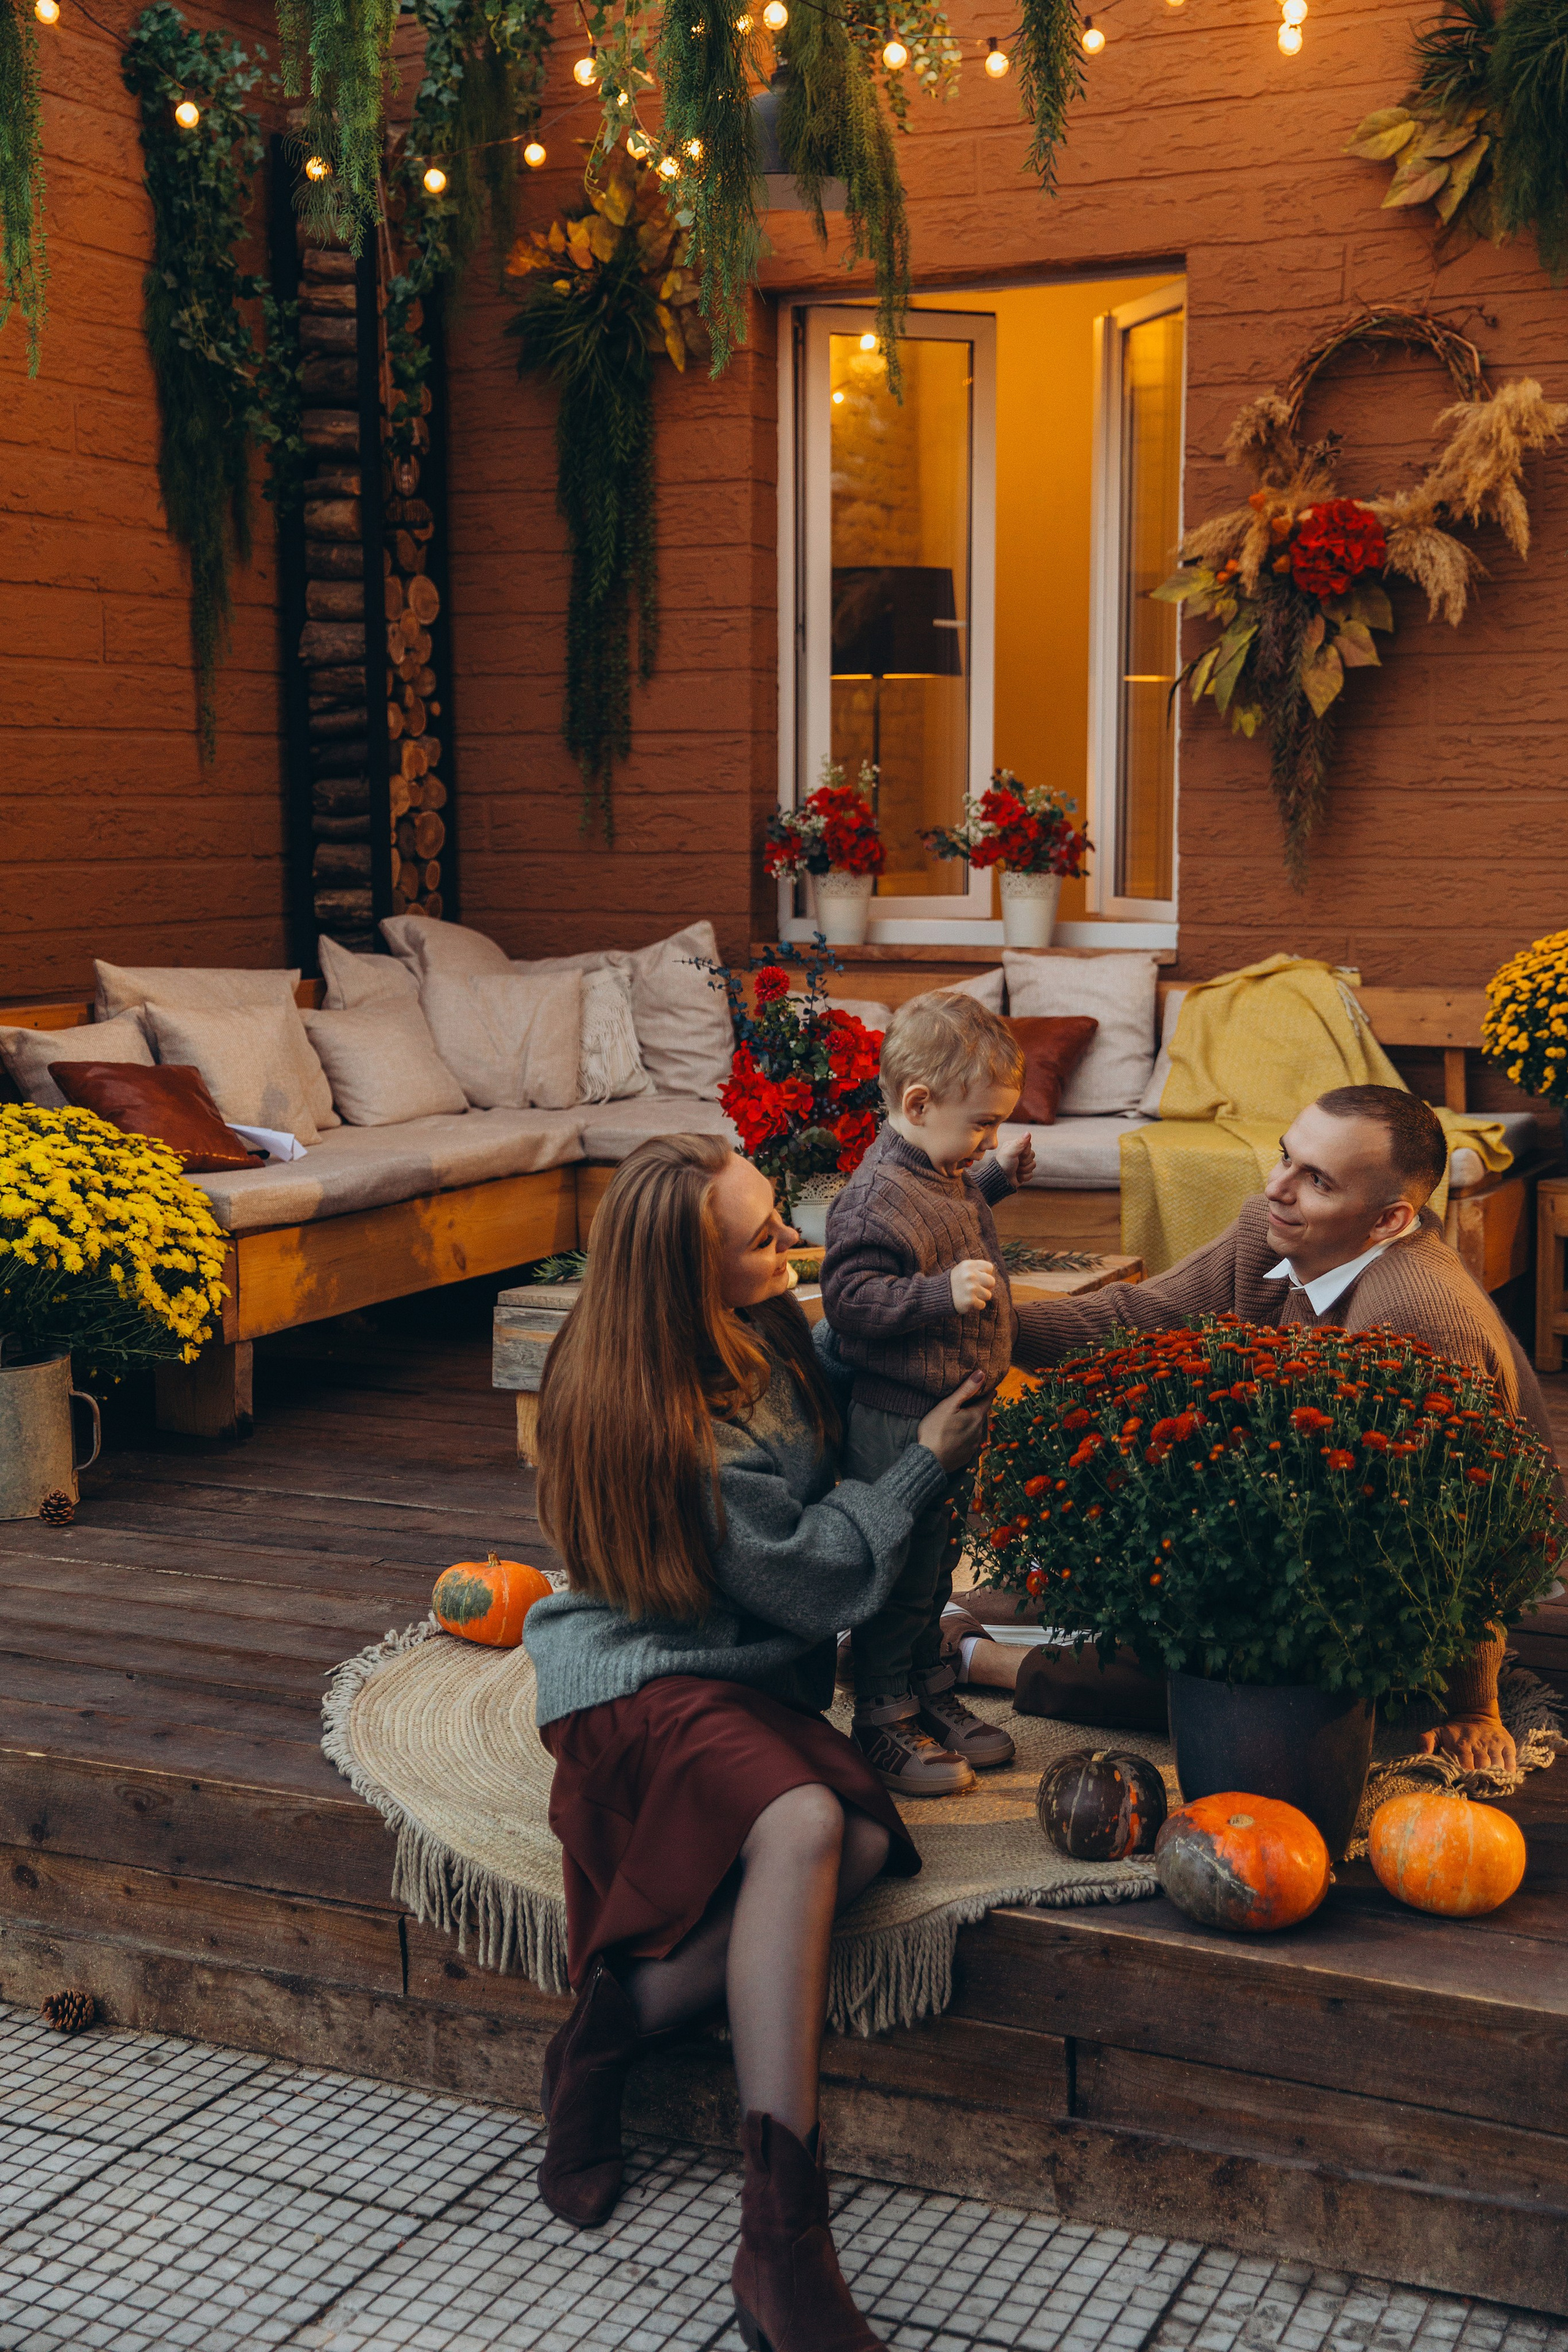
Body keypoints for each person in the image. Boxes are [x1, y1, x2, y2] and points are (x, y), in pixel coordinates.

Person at [524, 1132, 988, 2352]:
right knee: (805, 1819)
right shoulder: (663, 1418)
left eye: (777, 1212)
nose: (791, 1238)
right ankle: (782, 2237)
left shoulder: (761, 1322)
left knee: (866, 1847)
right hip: (638, 1683)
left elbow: (819, 1385)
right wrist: (918, 1470)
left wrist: (915, 1337)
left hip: (741, 1676)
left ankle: (608, 2029)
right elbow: (811, 1576)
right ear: (687, 1278)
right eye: (761, 1236)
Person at [991, 1084, 1556, 1771]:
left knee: (1228, 1680)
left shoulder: (1415, 1312)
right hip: (1310, 1525)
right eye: (1286, 1157)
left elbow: (1463, 1527)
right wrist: (990, 1325)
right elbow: (1139, 1318)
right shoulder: (1276, 1232)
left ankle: (980, 1659)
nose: (1276, 1187)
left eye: (1316, 1181)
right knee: (1097, 1585)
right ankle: (984, 1621)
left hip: (1398, 1579)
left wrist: (1474, 1705)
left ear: (1388, 1221)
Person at [820, 992, 1036, 1795]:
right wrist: (938, 1295)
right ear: (918, 1104)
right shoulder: (874, 1195)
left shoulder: (939, 1170)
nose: (988, 1138)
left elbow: (945, 1218)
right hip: (898, 1422)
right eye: (982, 1124)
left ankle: (926, 1687)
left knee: (939, 1563)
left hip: (950, 1413)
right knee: (899, 1570)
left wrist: (993, 1178)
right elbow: (849, 1300)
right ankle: (882, 1714)